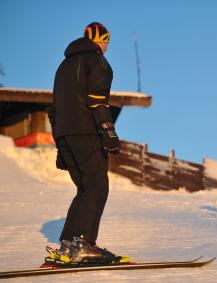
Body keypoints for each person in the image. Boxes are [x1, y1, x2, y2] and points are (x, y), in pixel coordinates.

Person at [48, 22, 122, 263]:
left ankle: (70, 244)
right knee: (98, 185)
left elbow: (54, 109)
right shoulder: (98, 61)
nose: (107, 47)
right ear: (100, 41)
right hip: (86, 132)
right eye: (106, 42)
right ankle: (83, 244)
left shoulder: (63, 66)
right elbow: (96, 99)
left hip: (65, 134)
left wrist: (61, 143)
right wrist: (107, 130)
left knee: (85, 187)